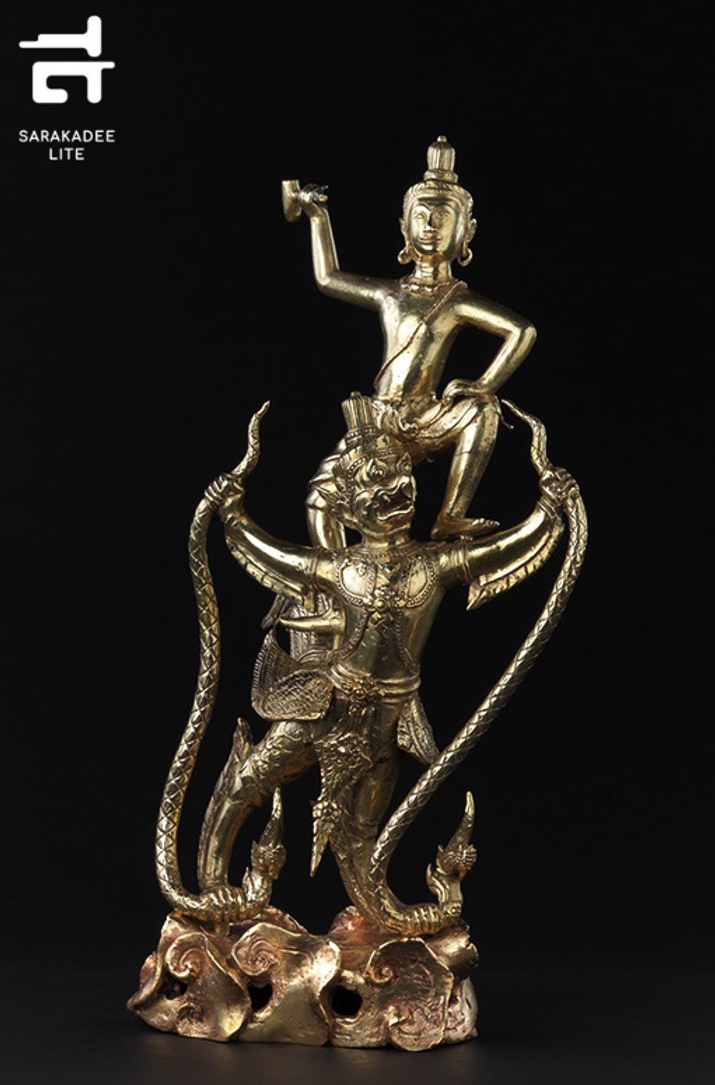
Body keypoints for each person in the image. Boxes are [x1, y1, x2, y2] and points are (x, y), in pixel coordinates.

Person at [196, 394, 569, 930]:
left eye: (403, 482)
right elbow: (273, 553)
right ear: (348, 507)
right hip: (325, 702)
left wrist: (546, 512)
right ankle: (214, 880)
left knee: (360, 833)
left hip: (388, 722)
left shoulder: (433, 564)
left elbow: (500, 551)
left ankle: (385, 911)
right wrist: (231, 513)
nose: (396, 494)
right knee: (252, 779)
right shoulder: (338, 568)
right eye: (377, 488)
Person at [285, 136, 537, 548]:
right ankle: (334, 578)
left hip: (424, 418)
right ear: (404, 228)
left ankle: (450, 515)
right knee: (319, 503)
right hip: (376, 419)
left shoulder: (457, 301)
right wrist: (317, 217)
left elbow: (522, 331)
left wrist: (482, 385)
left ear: (467, 232)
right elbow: (328, 278)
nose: (431, 225)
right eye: (421, 216)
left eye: (443, 217)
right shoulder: (391, 293)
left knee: (483, 410)